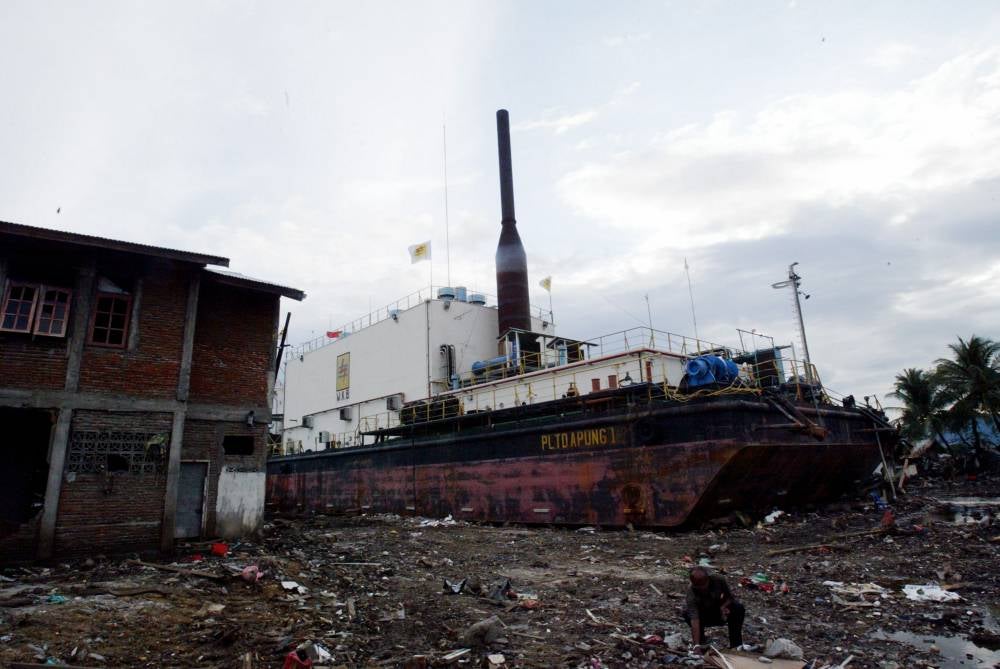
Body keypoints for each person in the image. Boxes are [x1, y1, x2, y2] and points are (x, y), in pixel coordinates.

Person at [683, 566, 745, 650]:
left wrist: (723, 607)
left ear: (708, 579)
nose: (702, 589)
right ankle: (701, 643)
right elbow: (694, 619)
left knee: (738, 608)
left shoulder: (719, 579)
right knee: (687, 613)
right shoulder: (691, 593)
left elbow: (730, 597)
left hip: (720, 610)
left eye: (704, 585)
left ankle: (736, 645)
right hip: (704, 615)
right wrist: (696, 645)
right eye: (699, 587)